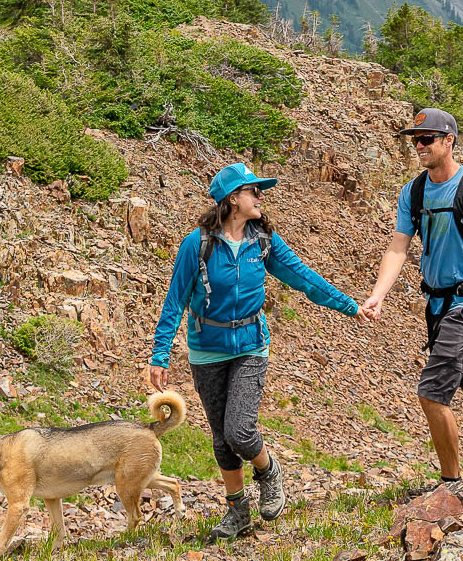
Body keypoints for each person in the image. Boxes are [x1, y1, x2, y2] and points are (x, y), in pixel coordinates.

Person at [147, 162, 361, 540]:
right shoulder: (196, 244)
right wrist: (159, 354)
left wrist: (350, 306)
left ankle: (269, 470)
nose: (260, 196)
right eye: (253, 191)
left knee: (239, 430)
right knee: (220, 437)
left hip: (250, 346)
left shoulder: (262, 241)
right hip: (207, 350)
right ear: (232, 200)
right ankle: (237, 510)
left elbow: (304, 278)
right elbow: (174, 301)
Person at [360, 108, 463, 489]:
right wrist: (377, 295)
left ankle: (451, 484)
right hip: (437, 305)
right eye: (416, 139)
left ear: (449, 141)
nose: (419, 145)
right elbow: (398, 248)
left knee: (432, 393)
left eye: (427, 138)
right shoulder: (413, 192)